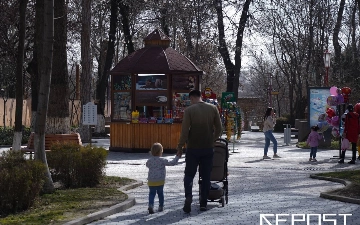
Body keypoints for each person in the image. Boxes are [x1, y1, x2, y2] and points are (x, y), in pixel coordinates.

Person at [176, 89, 222, 213]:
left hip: (192, 148)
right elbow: (219, 128)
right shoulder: (213, 108)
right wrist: (213, 139)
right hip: (208, 147)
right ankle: (203, 203)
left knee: (189, 175)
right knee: (206, 176)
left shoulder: (189, 111)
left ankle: (189, 197)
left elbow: (185, 131)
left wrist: (180, 147)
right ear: (201, 96)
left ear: (191, 98)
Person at [146, 143, 181, 214]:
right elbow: (172, 163)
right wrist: (177, 157)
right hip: (160, 180)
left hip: (151, 181)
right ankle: (161, 206)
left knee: (151, 194)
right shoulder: (162, 160)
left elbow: (147, 165)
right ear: (160, 152)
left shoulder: (149, 161)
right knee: (160, 193)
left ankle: (150, 205)